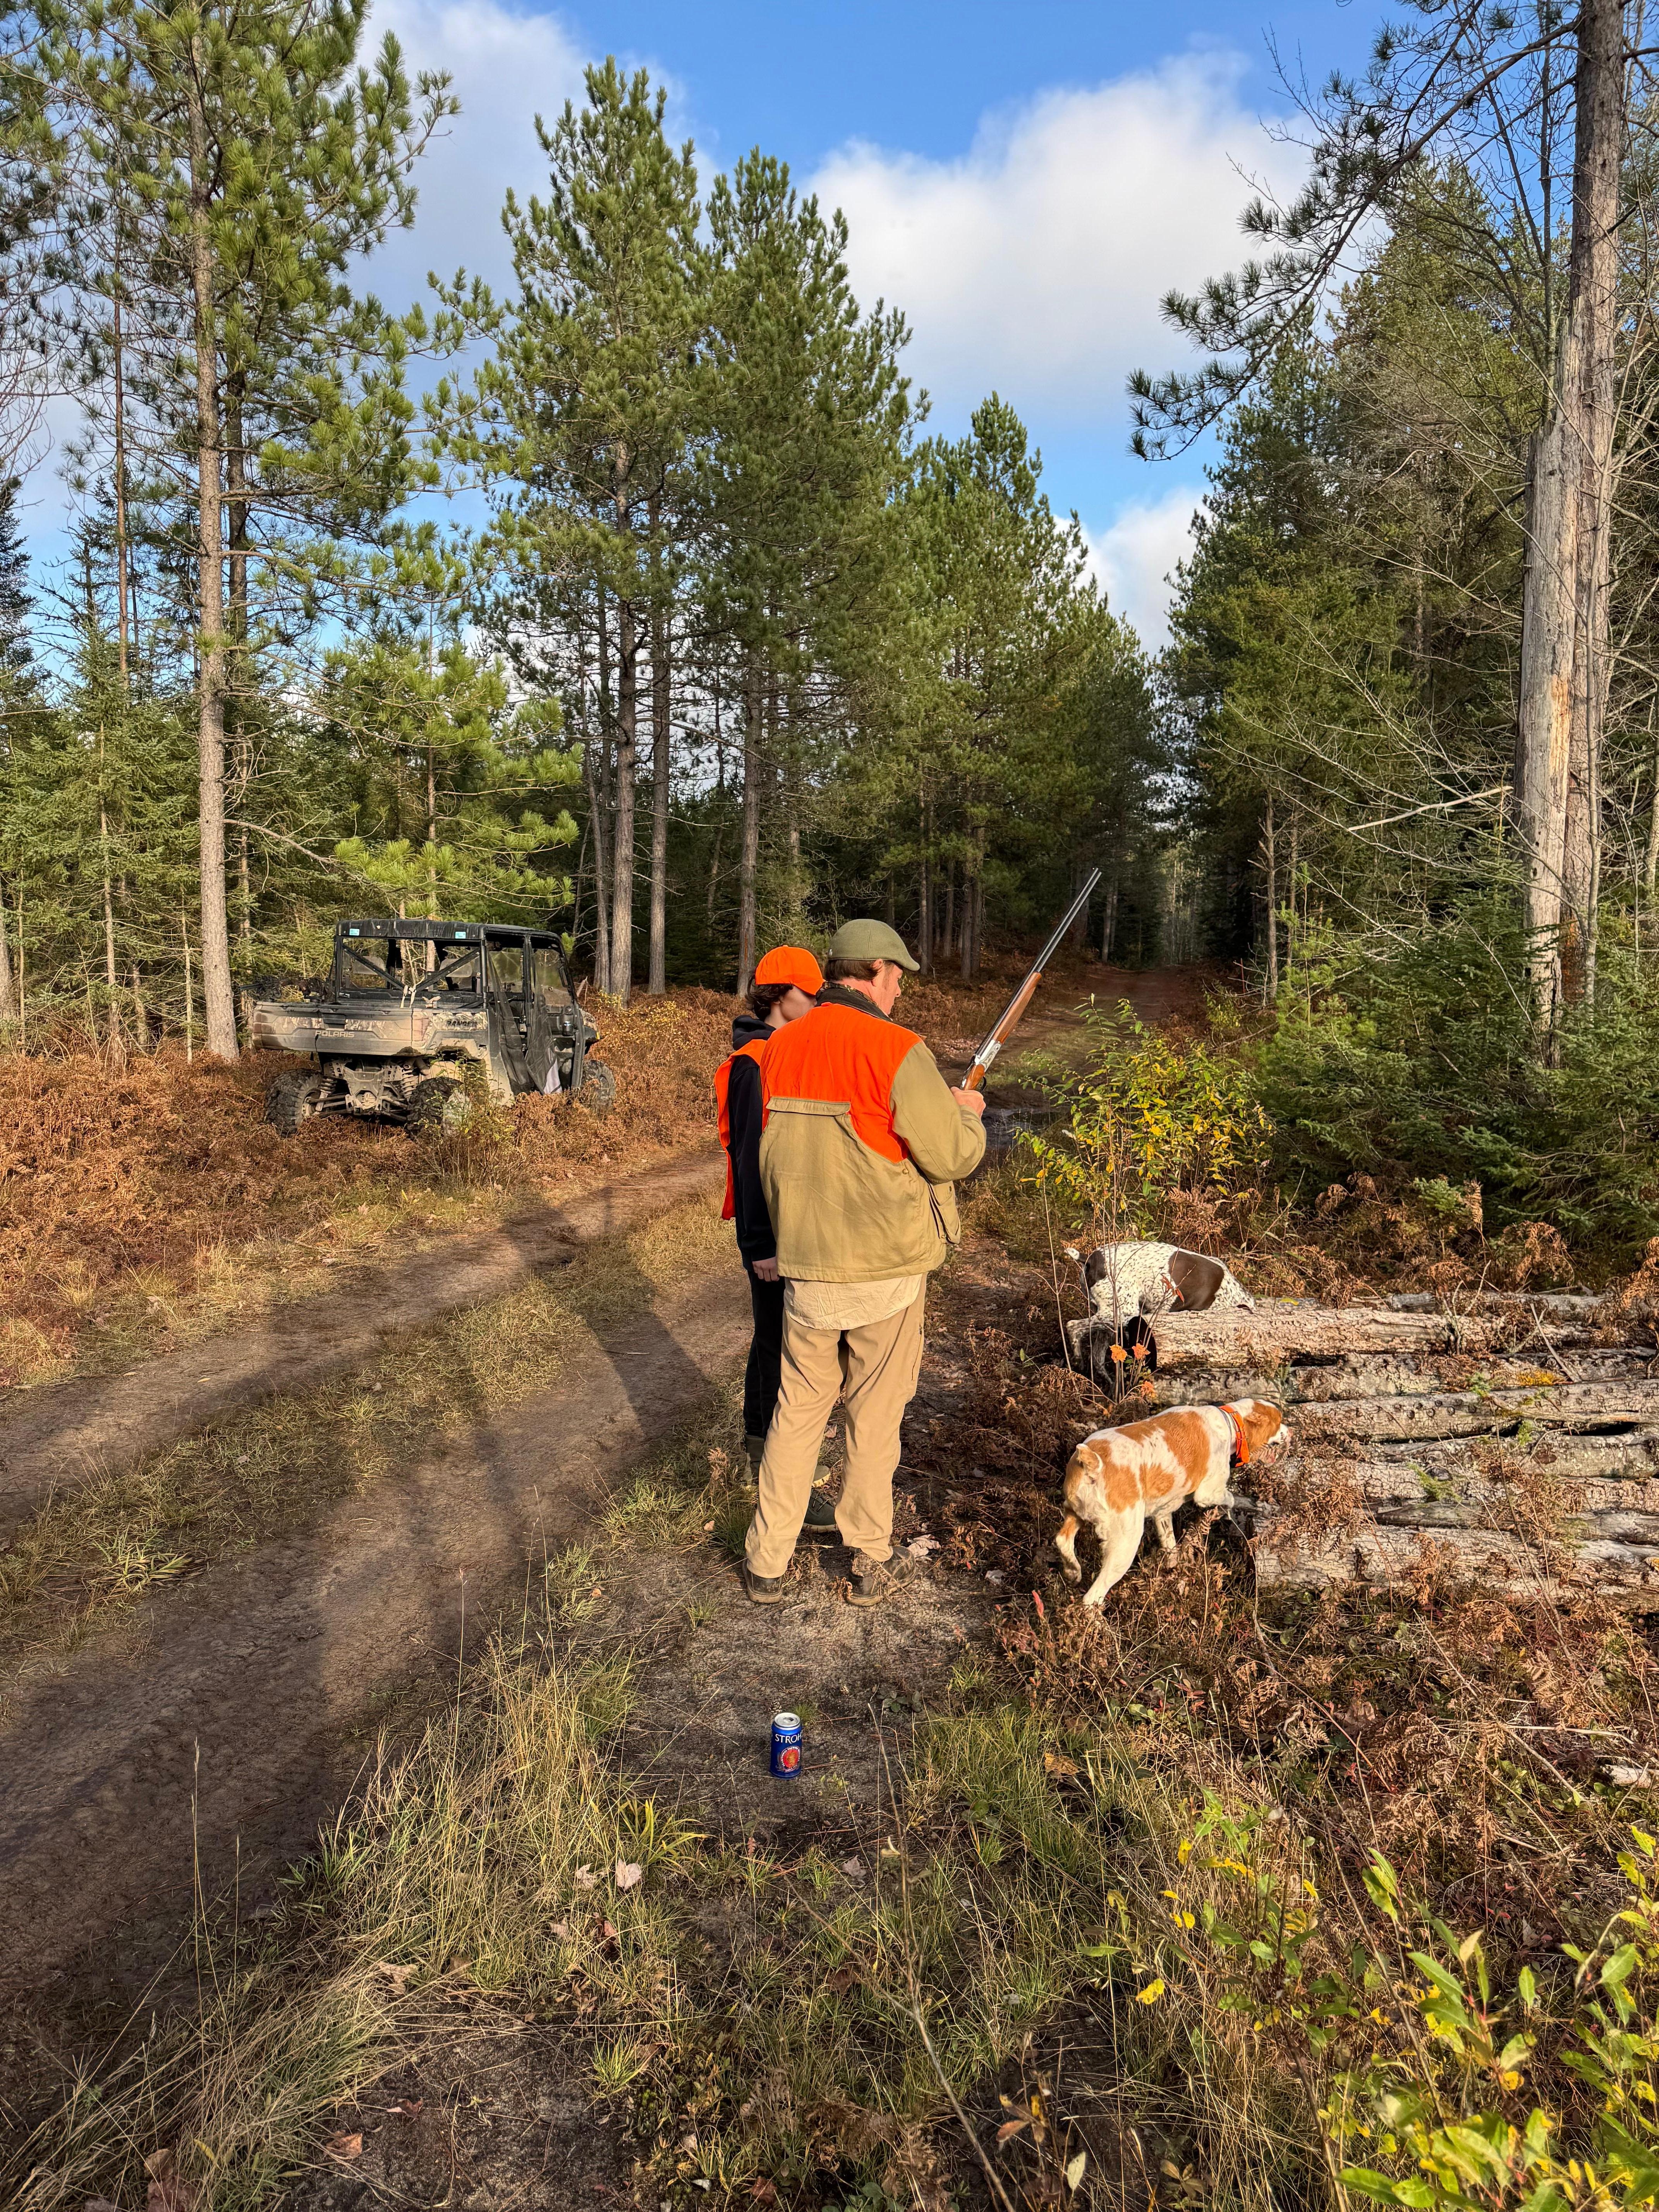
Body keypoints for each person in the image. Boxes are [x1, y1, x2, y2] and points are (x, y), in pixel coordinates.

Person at [742, 919, 987, 1608]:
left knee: (796, 1415)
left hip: (806, 1268)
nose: (901, 989)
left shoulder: (780, 1045)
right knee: (873, 1419)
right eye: (899, 977)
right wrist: (967, 1111)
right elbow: (950, 1157)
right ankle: (869, 1557)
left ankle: (766, 1561)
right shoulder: (897, 1048)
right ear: (875, 971)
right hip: (884, 1269)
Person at [713, 946, 835, 1527]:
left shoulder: (782, 1052)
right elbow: (749, 1157)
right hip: (772, 1237)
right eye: (813, 994)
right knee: (779, 1348)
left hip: (795, 1227)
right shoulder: (754, 1063)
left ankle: (766, 1455)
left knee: (781, 1343)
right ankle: (775, 1468)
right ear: (783, 995)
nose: (818, 1003)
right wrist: (760, 1245)